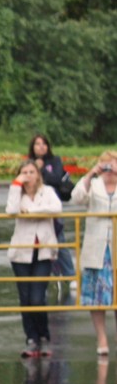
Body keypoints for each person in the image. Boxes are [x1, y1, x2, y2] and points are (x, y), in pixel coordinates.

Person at [6, 160, 61, 357]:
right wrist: (16, 185)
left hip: (43, 250)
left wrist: (31, 212)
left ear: (38, 174)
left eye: (31, 172)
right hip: (21, 252)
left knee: (37, 297)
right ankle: (31, 338)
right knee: (25, 297)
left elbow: (56, 208)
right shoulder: (17, 193)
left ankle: (44, 336)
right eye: (24, 172)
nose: (28, 175)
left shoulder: (47, 191)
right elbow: (11, 210)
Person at [71, 151, 117, 355]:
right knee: (97, 298)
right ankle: (102, 339)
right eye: (106, 165)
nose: (110, 169)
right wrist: (90, 174)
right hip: (97, 247)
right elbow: (77, 198)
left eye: (113, 164)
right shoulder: (94, 184)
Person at [28, 133, 75, 297]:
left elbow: (56, 179)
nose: (41, 147)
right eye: (37, 144)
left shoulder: (55, 161)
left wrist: (42, 170)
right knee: (38, 246)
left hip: (52, 208)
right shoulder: (28, 163)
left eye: (44, 144)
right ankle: (43, 280)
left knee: (59, 241)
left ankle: (70, 275)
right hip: (34, 209)